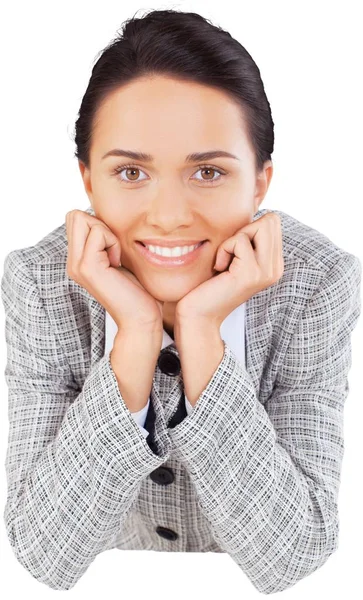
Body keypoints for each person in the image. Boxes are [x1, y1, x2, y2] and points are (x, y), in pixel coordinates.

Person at [1, 7, 361, 594]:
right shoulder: (41, 283)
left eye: (209, 173)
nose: (168, 217)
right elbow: (45, 553)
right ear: (88, 181)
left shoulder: (317, 284)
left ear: (260, 183)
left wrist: (200, 333)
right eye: (131, 173)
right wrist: (136, 336)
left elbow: (295, 552)